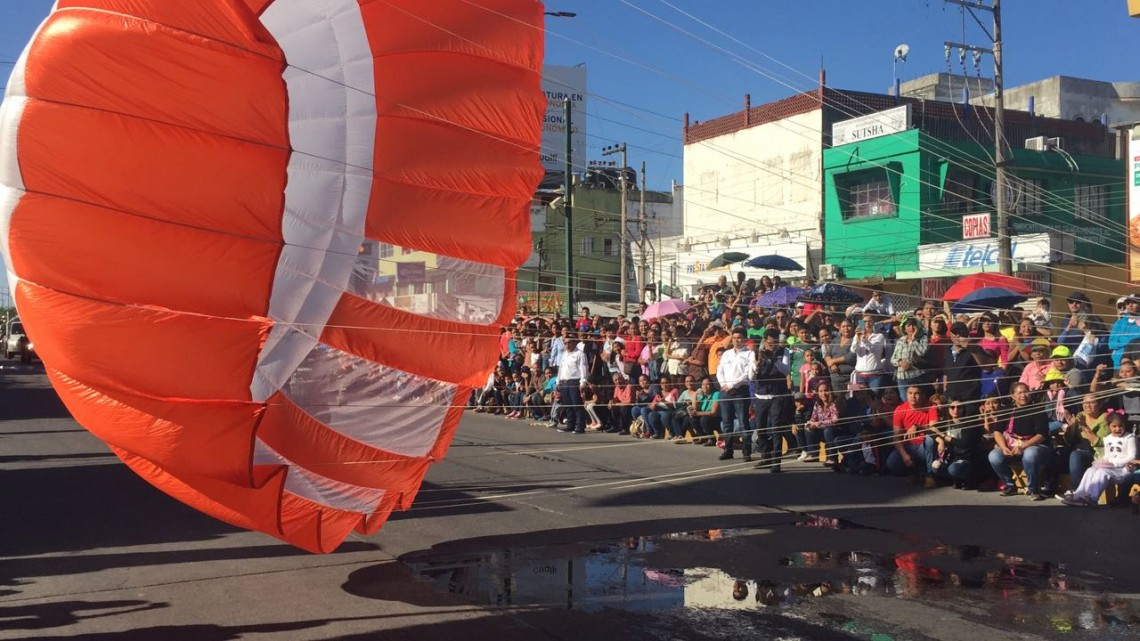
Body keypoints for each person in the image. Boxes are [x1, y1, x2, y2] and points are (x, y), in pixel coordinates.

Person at [988, 383, 1054, 500]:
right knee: (994, 456)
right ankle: (1010, 485)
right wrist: (1003, 447)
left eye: (1025, 392)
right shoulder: (1007, 410)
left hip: (1036, 446)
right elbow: (997, 431)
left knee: (1030, 454)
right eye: (1019, 393)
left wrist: (1023, 446)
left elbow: (1042, 435)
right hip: (1012, 446)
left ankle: (1034, 489)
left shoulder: (1037, 409)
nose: (1023, 395)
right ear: (1013, 396)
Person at [1060, 411, 1137, 506]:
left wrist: (1114, 463)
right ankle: (1079, 496)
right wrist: (1102, 461)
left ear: (1124, 425)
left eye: (1120, 426)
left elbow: (1132, 456)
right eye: (1114, 426)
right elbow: (1108, 455)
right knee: (1091, 470)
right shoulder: (1108, 438)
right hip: (1110, 468)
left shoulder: (1129, 438)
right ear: (1109, 426)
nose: (1117, 429)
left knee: (1102, 472)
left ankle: (1092, 498)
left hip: (1123, 470)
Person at [752, 329, 792, 472]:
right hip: (761, 395)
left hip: (777, 395)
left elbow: (786, 371)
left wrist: (775, 359)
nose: (772, 346)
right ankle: (766, 457)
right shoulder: (757, 352)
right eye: (769, 343)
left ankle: (776, 462)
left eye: (774, 343)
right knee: (761, 428)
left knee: (776, 428)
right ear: (765, 341)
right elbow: (751, 376)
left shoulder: (783, 351)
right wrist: (757, 364)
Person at [716, 327, 757, 462]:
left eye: (739, 337)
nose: (737, 340)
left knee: (743, 422)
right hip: (725, 391)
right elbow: (719, 370)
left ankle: (747, 451)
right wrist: (724, 385)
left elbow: (747, 375)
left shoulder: (749, 354)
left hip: (740, 391)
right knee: (726, 423)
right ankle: (728, 450)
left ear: (744, 339)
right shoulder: (727, 353)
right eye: (734, 337)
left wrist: (733, 385)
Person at [928, 398, 982, 489]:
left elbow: (964, 444)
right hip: (951, 457)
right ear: (948, 409)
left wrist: (944, 436)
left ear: (963, 409)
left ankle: (968, 479)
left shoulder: (969, 423)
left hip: (966, 458)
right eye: (952, 407)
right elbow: (930, 431)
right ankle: (955, 479)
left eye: (959, 407)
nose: (955, 410)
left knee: (954, 469)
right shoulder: (946, 423)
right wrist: (940, 441)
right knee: (935, 467)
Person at [886, 385, 937, 481]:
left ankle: (930, 474)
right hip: (908, 446)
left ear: (923, 395)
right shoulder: (900, 409)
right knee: (891, 463)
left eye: (916, 393)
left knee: (930, 439)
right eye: (910, 393)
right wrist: (904, 455)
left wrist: (918, 427)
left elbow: (934, 428)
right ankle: (916, 470)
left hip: (924, 446)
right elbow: (896, 437)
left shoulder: (932, 406)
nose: (913, 396)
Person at [555, 333, 590, 434]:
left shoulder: (580, 354)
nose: (567, 345)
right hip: (564, 382)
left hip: (574, 381)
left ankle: (580, 426)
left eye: (569, 342)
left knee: (577, 405)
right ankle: (570, 425)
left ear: (574, 342)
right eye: (565, 343)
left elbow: (584, 369)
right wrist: (558, 381)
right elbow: (561, 369)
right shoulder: (564, 354)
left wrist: (583, 382)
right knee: (567, 405)